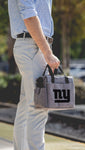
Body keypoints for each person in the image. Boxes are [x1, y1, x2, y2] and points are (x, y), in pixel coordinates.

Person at [8, 0, 60, 149]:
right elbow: (29, 15)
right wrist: (47, 53)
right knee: (39, 106)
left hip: (34, 44)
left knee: (27, 104)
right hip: (33, 46)